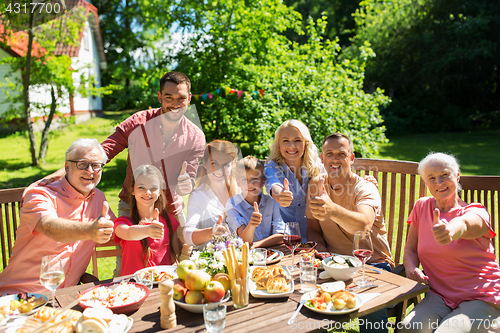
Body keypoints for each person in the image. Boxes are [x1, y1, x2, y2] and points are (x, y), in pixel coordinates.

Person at [37, 71, 206, 264]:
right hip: (132, 205)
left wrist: (186, 185)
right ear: (159, 96)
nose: (175, 104)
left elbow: (189, 179)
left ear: (189, 98)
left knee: (180, 266)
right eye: (169, 97)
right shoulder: (138, 123)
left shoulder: (196, 137)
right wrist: (62, 172)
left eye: (181, 98)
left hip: (170, 209)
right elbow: (103, 152)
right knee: (126, 267)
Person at [401, 153, 500, 333]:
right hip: (439, 295)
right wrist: (410, 267)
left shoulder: (476, 211)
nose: (439, 182)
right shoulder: (421, 206)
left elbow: (468, 224)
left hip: (482, 296)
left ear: (457, 175)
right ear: (426, 183)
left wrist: (451, 230)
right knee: (410, 328)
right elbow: (410, 249)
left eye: (445, 174)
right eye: (432, 178)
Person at [0, 139, 115, 294]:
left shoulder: (98, 198)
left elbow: (117, 231)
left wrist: (144, 226)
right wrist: (90, 230)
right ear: (67, 167)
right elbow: (49, 227)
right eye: (82, 164)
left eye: (96, 165)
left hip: (66, 296)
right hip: (20, 296)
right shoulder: (40, 194)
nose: (90, 171)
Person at [306, 132, 394, 333]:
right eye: (329, 154)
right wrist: (321, 251)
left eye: (341, 154)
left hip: (372, 265)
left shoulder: (365, 189)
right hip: (333, 264)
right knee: (303, 294)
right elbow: (312, 229)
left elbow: (363, 227)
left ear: (352, 158)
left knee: (370, 307)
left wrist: (332, 210)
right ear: (322, 158)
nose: (334, 159)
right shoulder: (316, 185)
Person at [114, 165, 181, 275]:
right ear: (132, 190)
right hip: (133, 287)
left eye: (153, 188)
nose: (147, 192)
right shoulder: (123, 223)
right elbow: (128, 233)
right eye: (141, 187)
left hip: (161, 286)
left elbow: (174, 260)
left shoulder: (170, 221)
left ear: (159, 192)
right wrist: (148, 230)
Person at [265, 120, 323, 242]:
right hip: (284, 238)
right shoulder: (272, 166)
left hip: (315, 235)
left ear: (305, 143)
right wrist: (281, 195)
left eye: (297, 140)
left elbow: (336, 180)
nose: (291, 146)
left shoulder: (316, 166)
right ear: (279, 145)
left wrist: (365, 181)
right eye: (285, 141)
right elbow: (273, 184)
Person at [184, 140, 239, 250]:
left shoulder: (240, 192)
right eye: (214, 163)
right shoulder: (197, 195)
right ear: (204, 163)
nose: (219, 169)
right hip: (208, 261)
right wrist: (212, 232)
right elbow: (187, 235)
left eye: (226, 164)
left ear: (232, 165)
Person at [226, 156, 285, 248]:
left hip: (271, 253)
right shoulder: (233, 204)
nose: (250, 184)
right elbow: (245, 240)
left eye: (255, 179)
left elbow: (281, 236)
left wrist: (256, 245)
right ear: (238, 182)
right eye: (244, 179)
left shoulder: (272, 202)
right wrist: (252, 224)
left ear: (263, 182)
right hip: (245, 256)